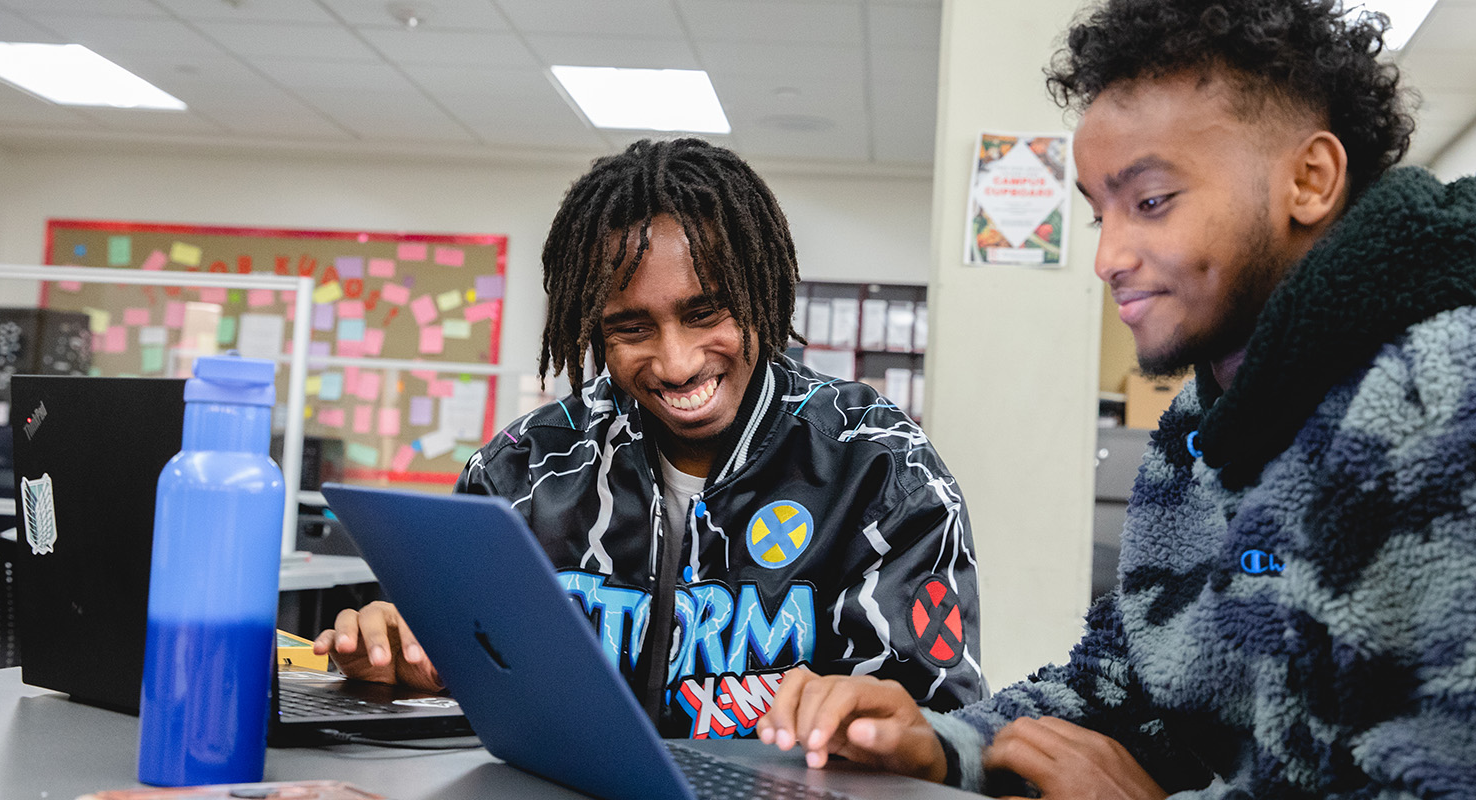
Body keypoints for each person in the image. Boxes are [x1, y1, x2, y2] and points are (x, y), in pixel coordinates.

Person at [757, 0, 1476, 795]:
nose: (1109, 258)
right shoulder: (1199, 427)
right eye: (1102, 214)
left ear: (1310, 181)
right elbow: (1139, 681)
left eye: (1153, 201)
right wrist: (947, 744)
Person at [315, 137, 986, 738]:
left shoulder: (878, 468)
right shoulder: (520, 475)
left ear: (763, 294)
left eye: (706, 313)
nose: (677, 363)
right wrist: (397, 660)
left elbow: (936, 730)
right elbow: (461, 684)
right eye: (631, 328)